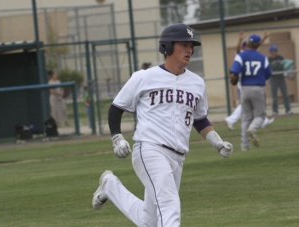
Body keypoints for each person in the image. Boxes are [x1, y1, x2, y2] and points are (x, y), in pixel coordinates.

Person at [92, 23, 233, 227]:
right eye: (184, 44)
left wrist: (217, 142)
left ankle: (110, 186)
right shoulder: (144, 77)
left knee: (149, 221)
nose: (190, 49)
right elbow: (116, 107)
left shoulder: (196, 83)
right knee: (169, 205)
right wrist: (117, 138)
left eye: (191, 45)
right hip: (150, 150)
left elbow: (200, 119)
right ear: (167, 47)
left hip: (178, 157)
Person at [230, 34, 272, 151]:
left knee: (246, 118)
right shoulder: (263, 57)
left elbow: (234, 72)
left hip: (244, 89)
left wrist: (234, 78)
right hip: (258, 88)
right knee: (260, 116)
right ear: (258, 45)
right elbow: (268, 74)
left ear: (248, 43)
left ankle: (244, 146)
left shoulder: (241, 56)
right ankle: (253, 129)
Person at [268, 44, 292, 115]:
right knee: (274, 96)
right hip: (273, 79)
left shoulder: (280, 57)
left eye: (275, 50)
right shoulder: (268, 59)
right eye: (272, 51)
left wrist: (287, 74)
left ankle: (288, 110)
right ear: (270, 52)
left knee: (285, 94)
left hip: (281, 78)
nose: (274, 52)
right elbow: (268, 68)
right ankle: (275, 111)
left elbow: (285, 66)